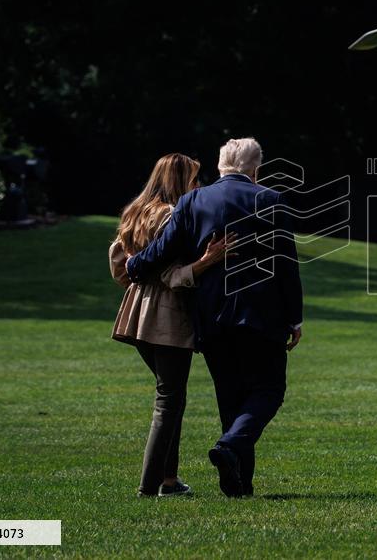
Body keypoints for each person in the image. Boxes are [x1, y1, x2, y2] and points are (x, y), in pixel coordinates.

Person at [126, 137, 303, 497]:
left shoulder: (192, 201)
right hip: (262, 314)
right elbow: (287, 266)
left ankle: (239, 484)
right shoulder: (271, 200)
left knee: (230, 398)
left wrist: (135, 265)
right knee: (269, 390)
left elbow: (162, 251)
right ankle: (230, 449)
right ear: (256, 170)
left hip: (211, 317)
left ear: (220, 166)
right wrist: (294, 318)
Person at [109, 153, 233, 497]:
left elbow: (120, 265)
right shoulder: (170, 215)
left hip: (136, 314)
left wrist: (140, 283)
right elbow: (170, 276)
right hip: (166, 317)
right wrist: (206, 261)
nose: (198, 186)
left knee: (172, 396)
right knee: (168, 400)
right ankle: (151, 486)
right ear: (179, 182)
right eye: (194, 179)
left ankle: (169, 479)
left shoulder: (135, 212)